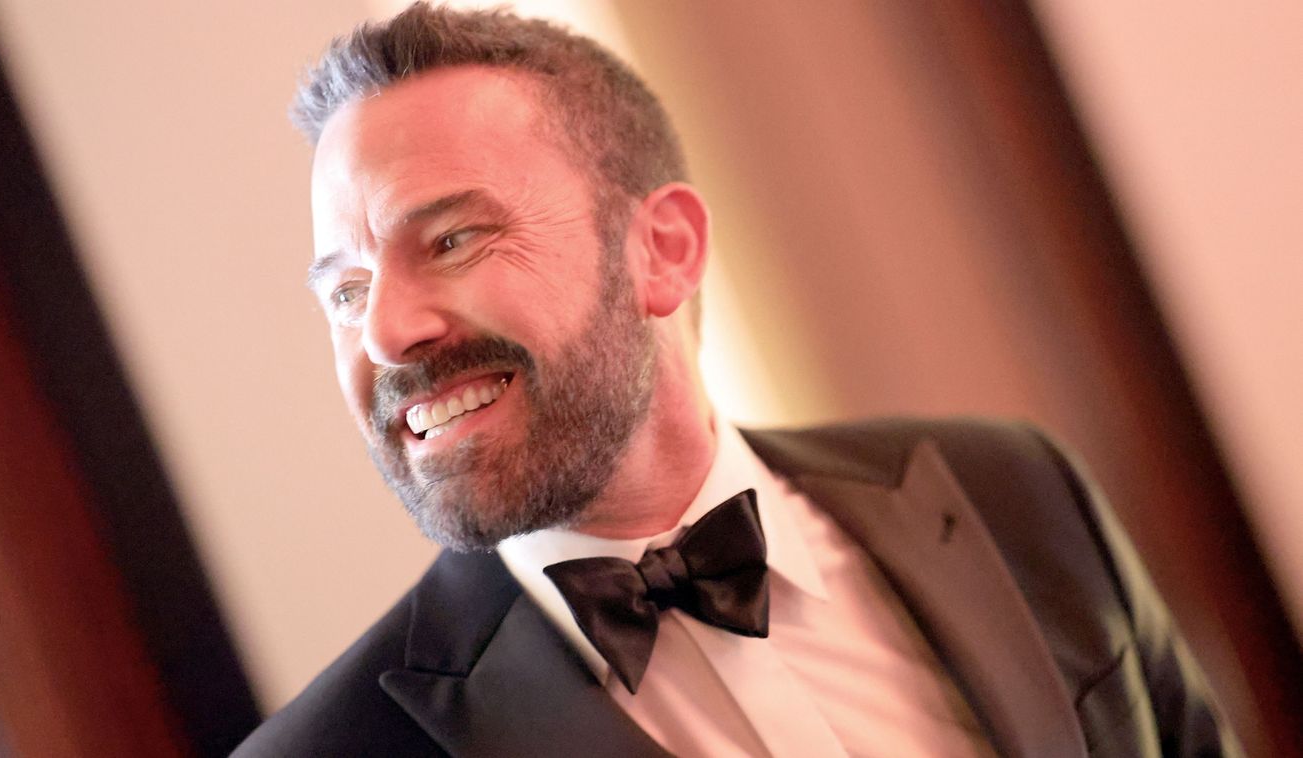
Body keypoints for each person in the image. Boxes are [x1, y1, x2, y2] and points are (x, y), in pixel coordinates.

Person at [236, 4, 1238, 756]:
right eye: (346, 290)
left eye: (453, 238)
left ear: (663, 249)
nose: (390, 330)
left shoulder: (1015, 489)